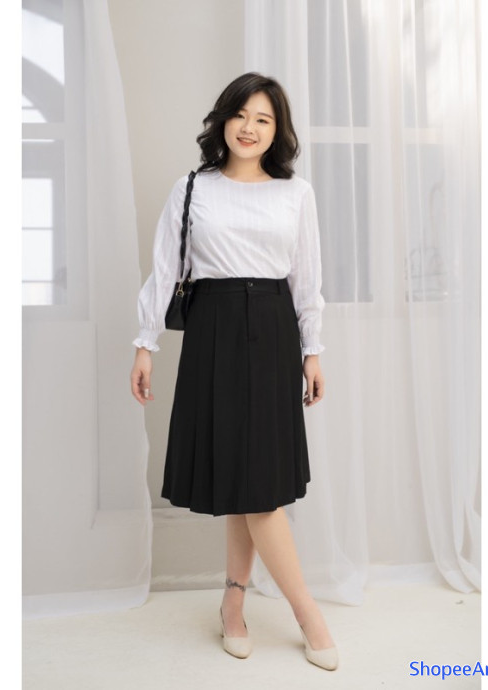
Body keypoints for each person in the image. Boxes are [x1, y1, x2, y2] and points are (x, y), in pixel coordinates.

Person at [129, 72, 338, 671]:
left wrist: (312, 350)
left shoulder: (295, 193)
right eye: (241, 115)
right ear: (223, 120)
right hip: (214, 331)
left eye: (263, 119)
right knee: (250, 483)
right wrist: (145, 344)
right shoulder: (193, 187)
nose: (249, 128)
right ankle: (298, 612)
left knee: (258, 482)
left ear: (278, 131)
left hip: (273, 330)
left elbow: (306, 277)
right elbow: (165, 270)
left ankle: (239, 602)